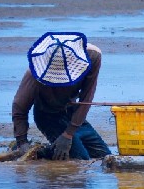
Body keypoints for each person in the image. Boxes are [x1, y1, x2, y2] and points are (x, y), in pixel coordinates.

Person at [10, 32, 111, 161]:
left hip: (73, 112)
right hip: (48, 114)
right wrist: (21, 142)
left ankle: (49, 148)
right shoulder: (37, 70)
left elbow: (86, 98)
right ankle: (36, 151)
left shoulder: (92, 56)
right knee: (81, 159)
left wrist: (69, 133)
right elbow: (19, 107)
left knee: (105, 157)